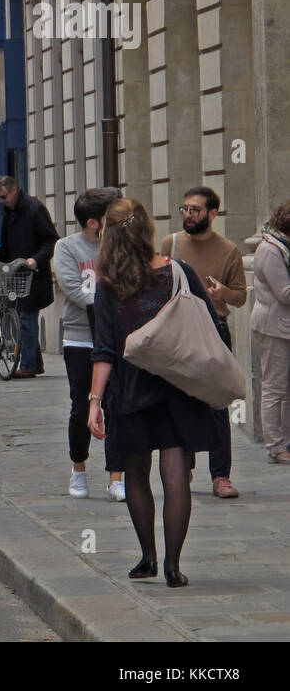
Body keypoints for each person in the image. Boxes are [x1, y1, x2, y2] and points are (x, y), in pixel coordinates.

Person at [88, 198, 221, 588]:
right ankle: (173, 566)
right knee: (176, 473)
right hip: (179, 384)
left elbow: (105, 349)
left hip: (130, 390)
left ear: (109, 238)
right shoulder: (179, 271)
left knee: (135, 472)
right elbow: (209, 323)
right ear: (147, 230)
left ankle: (147, 555)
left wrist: (94, 401)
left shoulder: (110, 285)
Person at [159, 186, 246, 499]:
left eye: (195, 210)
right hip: (179, 331)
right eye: (184, 209)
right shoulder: (172, 242)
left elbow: (241, 296)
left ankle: (221, 475)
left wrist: (222, 293)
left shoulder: (228, 250)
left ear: (212, 214)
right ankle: (185, 465)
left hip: (214, 329)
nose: (188, 215)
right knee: (180, 400)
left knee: (217, 404)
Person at [52, 188, 125, 500]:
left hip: (118, 338)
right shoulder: (67, 247)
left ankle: (116, 476)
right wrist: (108, 306)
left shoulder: (122, 245)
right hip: (81, 338)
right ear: (95, 222)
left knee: (117, 406)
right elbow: (72, 287)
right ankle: (78, 468)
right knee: (81, 404)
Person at [0, 176, 60, 379]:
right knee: (24, 316)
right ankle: (34, 363)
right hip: (16, 273)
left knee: (26, 317)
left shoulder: (34, 209)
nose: (1, 201)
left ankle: (29, 365)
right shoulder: (9, 210)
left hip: (34, 274)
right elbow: (6, 245)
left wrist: (36, 260)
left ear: (14, 191)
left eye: (4, 197)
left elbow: (51, 239)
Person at [252, 200, 290, 464]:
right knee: (274, 388)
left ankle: (285, 442)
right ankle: (275, 447)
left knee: (285, 390)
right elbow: (285, 294)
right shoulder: (271, 249)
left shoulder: (282, 247)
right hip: (274, 327)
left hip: (283, 326)